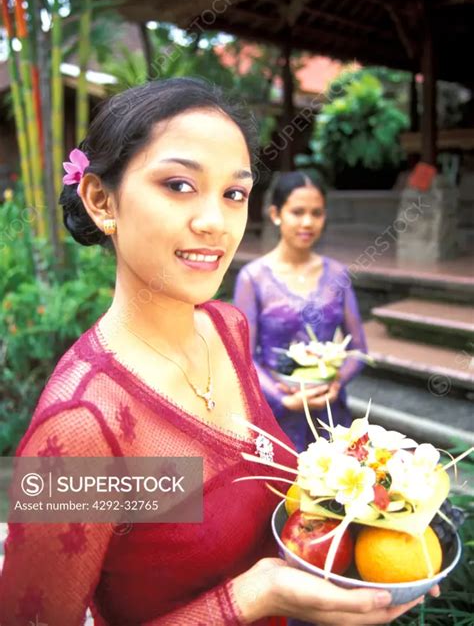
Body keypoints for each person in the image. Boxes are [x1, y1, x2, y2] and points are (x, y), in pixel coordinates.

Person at [0, 80, 434, 625]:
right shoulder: (83, 427)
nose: (215, 223)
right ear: (101, 199)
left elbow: (234, 498)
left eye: (234, 193)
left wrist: (366, 498)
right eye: (179, 184)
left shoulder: (226, 330)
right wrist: (253, 598)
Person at [234, 171, 367, 452]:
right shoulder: (253, 277)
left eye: (316, 213)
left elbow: (359, 349)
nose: (307, 222)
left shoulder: (337, 275)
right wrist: (283, 399)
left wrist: (336, 382)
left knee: (332, 489)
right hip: (276, 410)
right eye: (297, 212)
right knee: (279, 492)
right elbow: (243, 356)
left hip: (329, 410)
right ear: (276, 214)